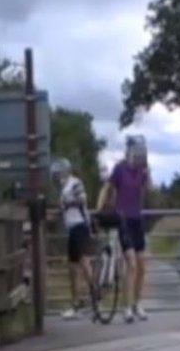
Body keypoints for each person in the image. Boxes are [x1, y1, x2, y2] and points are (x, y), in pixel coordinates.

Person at [98, 136, 150, 323]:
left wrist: (146, 173)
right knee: (131, 264)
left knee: (142, 265)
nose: (140, 160)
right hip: (123, 220)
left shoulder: (142, 172)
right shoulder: (120, 169)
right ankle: (126, 307)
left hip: (137, 219)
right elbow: (107, 188)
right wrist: (100, 208)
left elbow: (143, 193)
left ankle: (137, 303)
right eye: (138, 157)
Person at [51, 158, 95, 320]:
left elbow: (82, 199)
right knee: (72, 267)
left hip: (81, 226)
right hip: (72, 229)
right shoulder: (63, 189)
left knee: (84, 262)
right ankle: (76, 302)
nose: (56, 178)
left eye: (57, 174)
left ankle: (93, 294)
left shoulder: (74, 183)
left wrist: (67, 203)